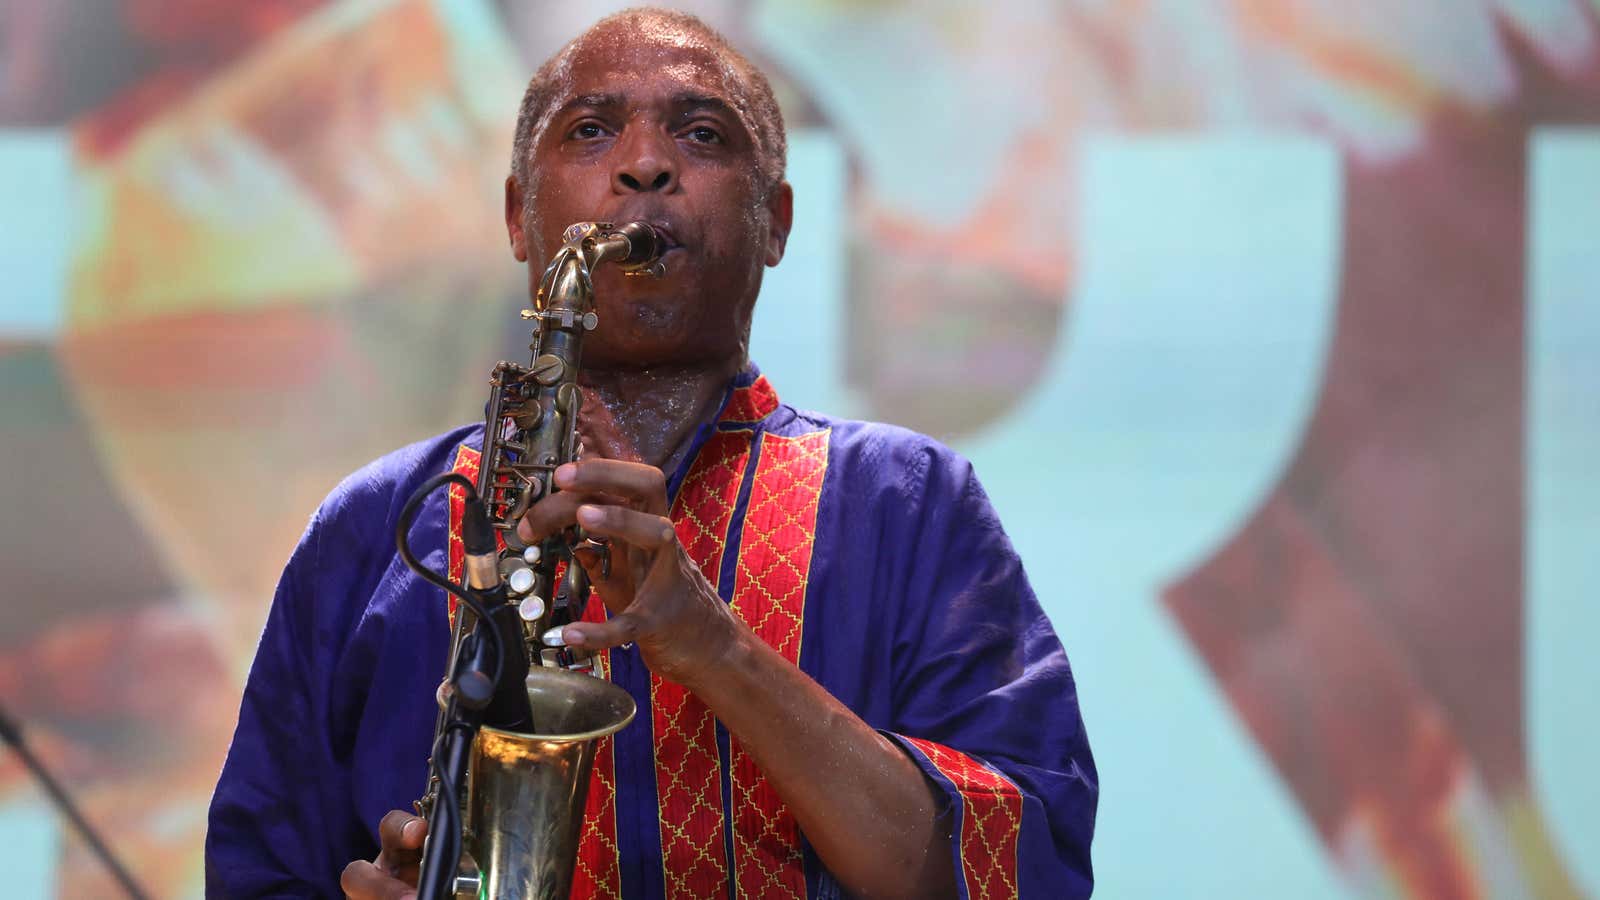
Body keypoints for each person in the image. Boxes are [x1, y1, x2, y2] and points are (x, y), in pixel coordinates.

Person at [205, 9, 1096, 899]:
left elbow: (1022, 867)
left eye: (702, 134)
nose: (643, 165)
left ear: (777, 222)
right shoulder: (371, 526)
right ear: (520, 217)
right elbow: (258, 870)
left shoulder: (909, 501)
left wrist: (711, 645)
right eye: (590, 131)